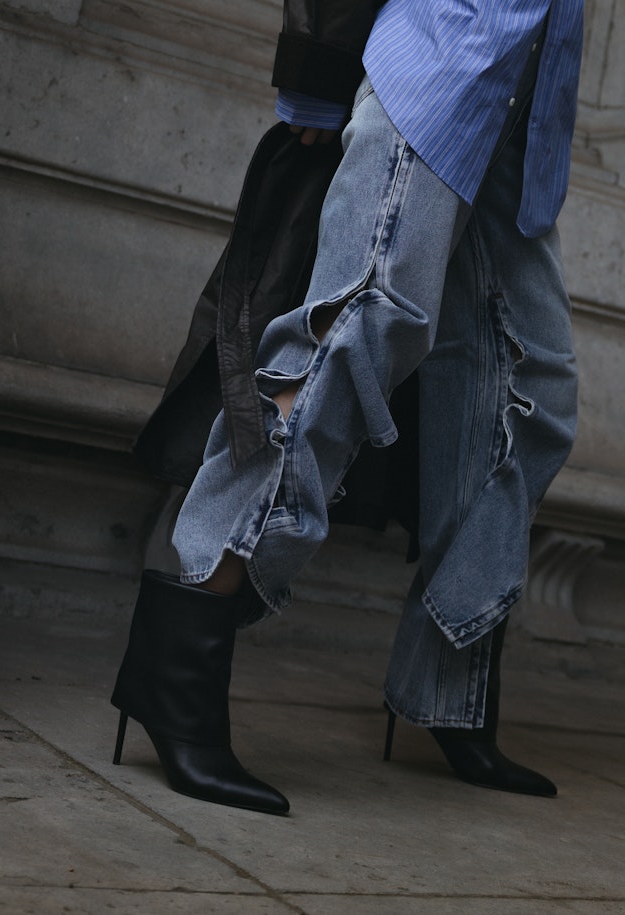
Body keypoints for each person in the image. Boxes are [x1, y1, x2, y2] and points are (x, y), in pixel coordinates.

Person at [111, 0, 584, 816]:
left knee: (533, 390)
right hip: (440, 68)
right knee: (348, 337)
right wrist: (316, 79)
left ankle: (448, 684)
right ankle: (175, 663)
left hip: (522, 108)